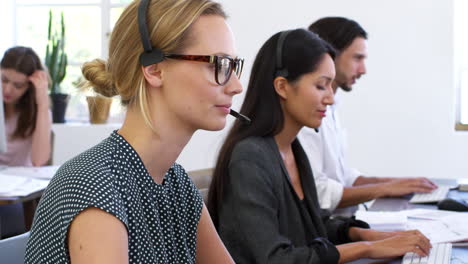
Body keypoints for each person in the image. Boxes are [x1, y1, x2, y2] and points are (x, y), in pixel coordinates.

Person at [25, 0, 241, 263]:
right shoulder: (96, 186)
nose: (236, 86)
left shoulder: (177, 186)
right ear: (154, 70)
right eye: (218, 64)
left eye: (232, 66)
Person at [208, 29, 431, 264]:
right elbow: (275, 259)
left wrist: (364, 234)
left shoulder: (291, 148)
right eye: (321, 86)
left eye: (331, 86)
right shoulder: (250, 158)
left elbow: (313, 225)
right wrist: (366, 248)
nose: (331, 98)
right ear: (282, 87)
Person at [297, 17, 437, 216]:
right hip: (329, 234)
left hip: (343, 226)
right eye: (357, 58)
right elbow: (318, 192)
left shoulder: (332, 107)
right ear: (329, 55)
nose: (363, 69)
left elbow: (340, 176)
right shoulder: (305, 114)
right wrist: (383, 189)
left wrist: (395, 183)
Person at [0, 46, 51, 167]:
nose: (8, 90)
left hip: (22, 181)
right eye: (4, 80)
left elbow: (39, 161)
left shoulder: (39, 113)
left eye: (18, 85)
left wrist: (42, 103)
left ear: (29, 86)